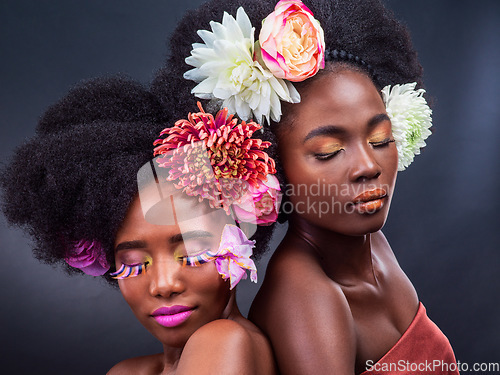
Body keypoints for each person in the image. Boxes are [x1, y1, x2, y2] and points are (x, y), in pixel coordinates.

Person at [152, 0, 460, 374]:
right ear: (273, 169)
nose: (368, 166)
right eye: (329, 151)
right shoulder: (305, 297)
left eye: (380, 138)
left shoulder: (369, 242)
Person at [0, 76, 277, 374]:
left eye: (193, 255)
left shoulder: (224, 340)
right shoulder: (127, 372)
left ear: (239, 239)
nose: (163, 285)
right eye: (133, 264)